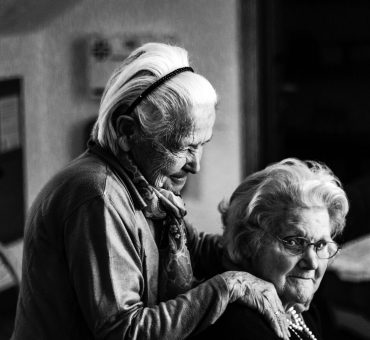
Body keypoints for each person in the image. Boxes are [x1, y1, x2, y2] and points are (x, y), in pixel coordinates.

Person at [11, 42, 290, 340]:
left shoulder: (145, 189)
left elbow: (197, 249)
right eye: (184, 147)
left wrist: (273, 247)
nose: (196, 166)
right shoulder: (98, 195)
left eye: (202, 145)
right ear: (128, 131)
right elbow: (125, 330)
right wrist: (228, 287)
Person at [192, 158, 349, 340]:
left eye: (321, 245)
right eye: (295, 242)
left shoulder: (302, 309)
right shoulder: (239, 324)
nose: (312, 262)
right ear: (247, 244)